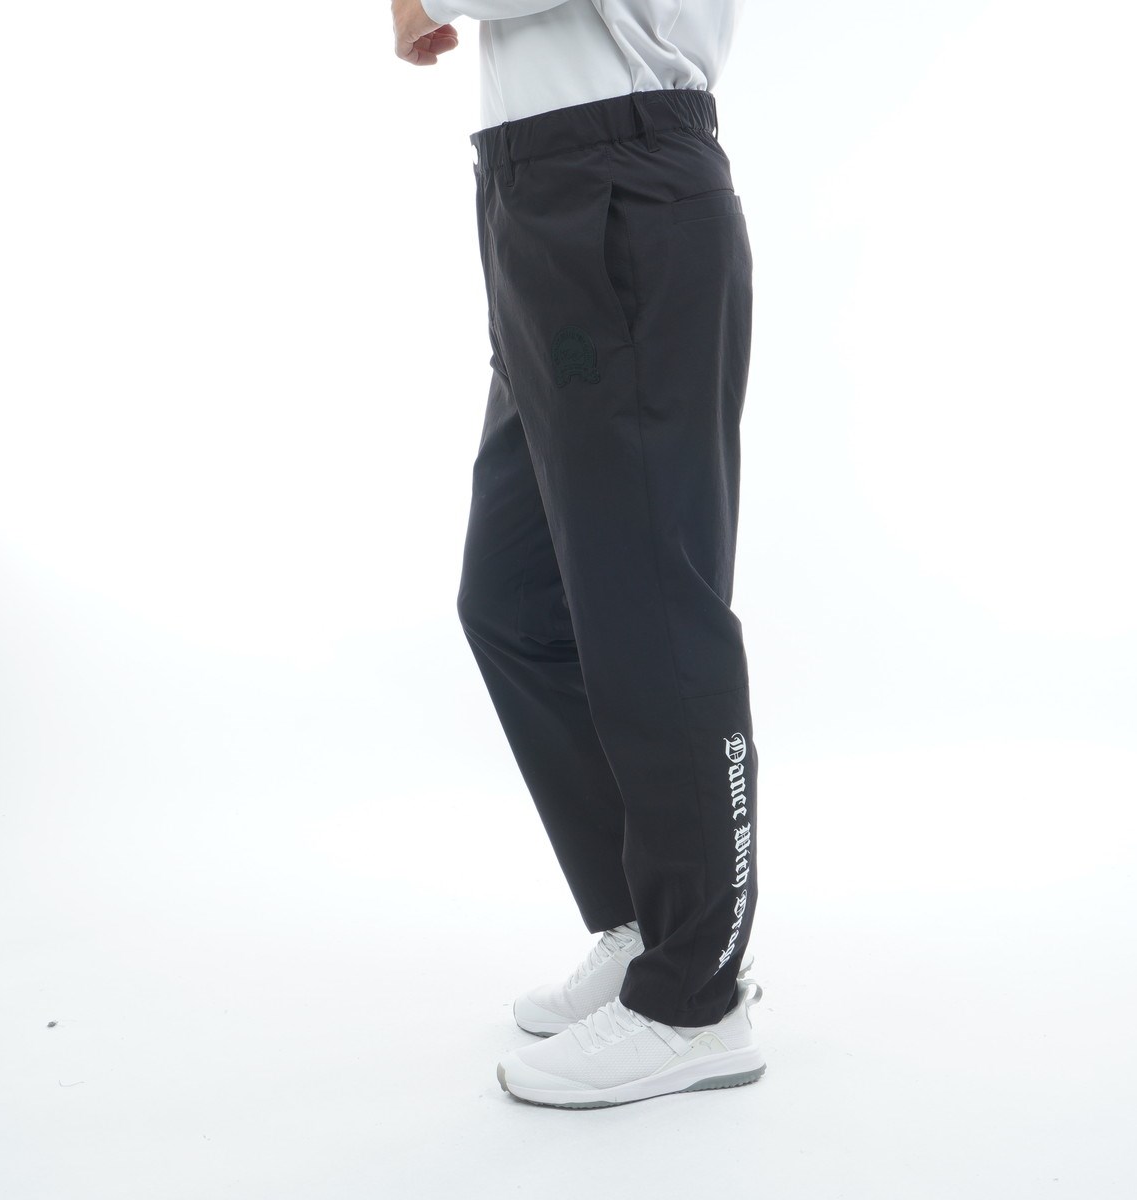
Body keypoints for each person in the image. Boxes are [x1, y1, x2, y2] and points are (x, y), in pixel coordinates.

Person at [392, 0, 763, 1108]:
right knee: (512, 600)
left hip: (621, 186)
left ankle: (697, 997)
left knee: (653, 604)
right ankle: (648, 922)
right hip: (536, 191)